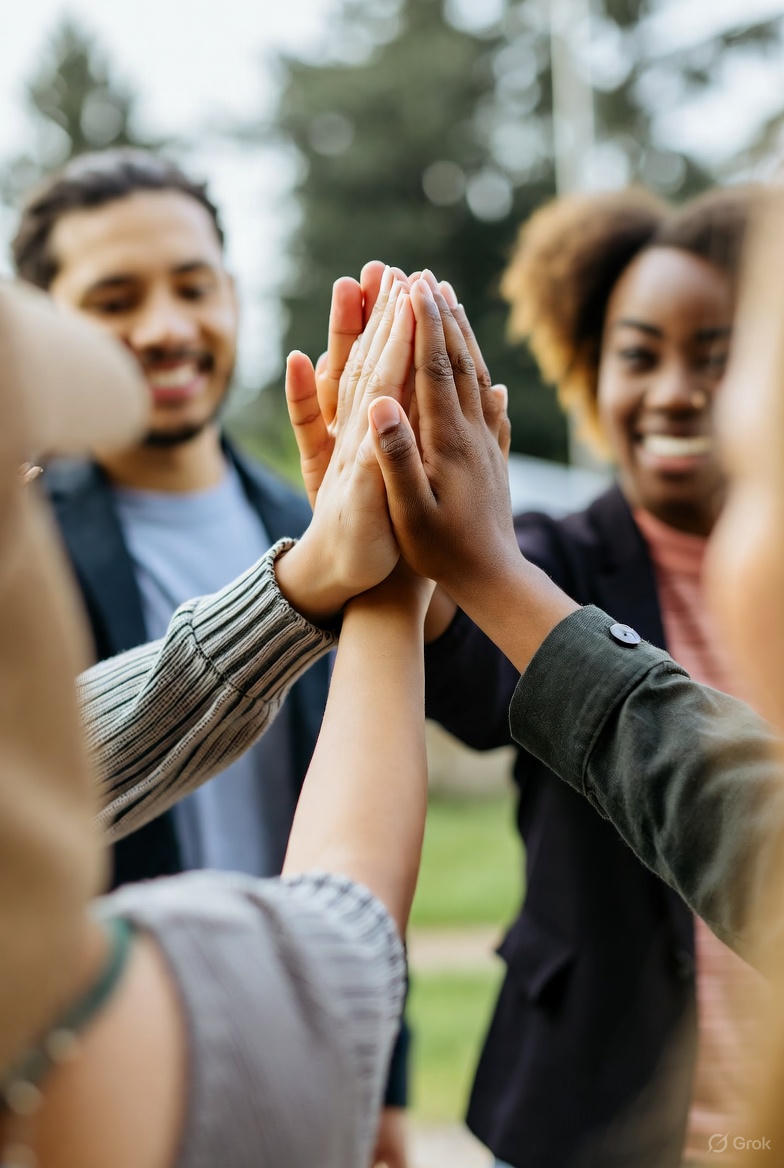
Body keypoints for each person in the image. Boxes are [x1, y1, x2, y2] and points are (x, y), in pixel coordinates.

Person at [11, 149, 408, 1156]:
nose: (166, 327)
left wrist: (377, 1069)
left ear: (233, 291)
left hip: (310, 1020)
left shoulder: (315, 508)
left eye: (193, 285)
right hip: (96, 1066)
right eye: (114, 297)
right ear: (43, 322)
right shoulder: (21, 531)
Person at [419, 185, 763, 1167]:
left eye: (715, 355)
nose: (668, 391)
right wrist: (434, 556)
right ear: (587, 364)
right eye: (637, 353)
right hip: (600, 1122)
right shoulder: (550, 562)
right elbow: (474, 675)